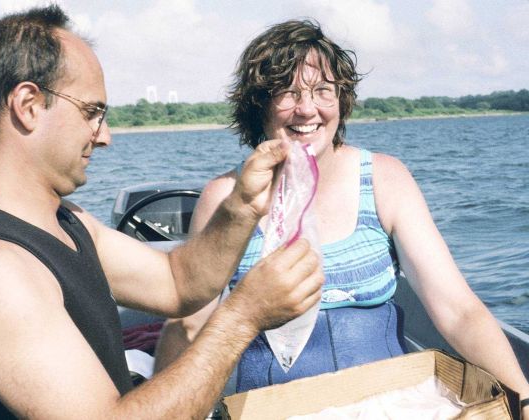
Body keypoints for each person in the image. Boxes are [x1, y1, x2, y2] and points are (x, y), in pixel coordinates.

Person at [0, 6, 325, 419]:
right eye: (91, 112)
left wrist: (241, 206)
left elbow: (178, 283)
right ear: (28, 104)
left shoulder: (67, 222)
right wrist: (243, 317)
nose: (105, 137)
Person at [154, 18, 529, 413]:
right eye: (287, 92)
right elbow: (189, 326)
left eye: (322, 91)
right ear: (258, 106)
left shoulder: (386, 179)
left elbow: (458, 309)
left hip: (394, 404)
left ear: (341, 100)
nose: (307, 109)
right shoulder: (223, 199)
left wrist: (523, 394)